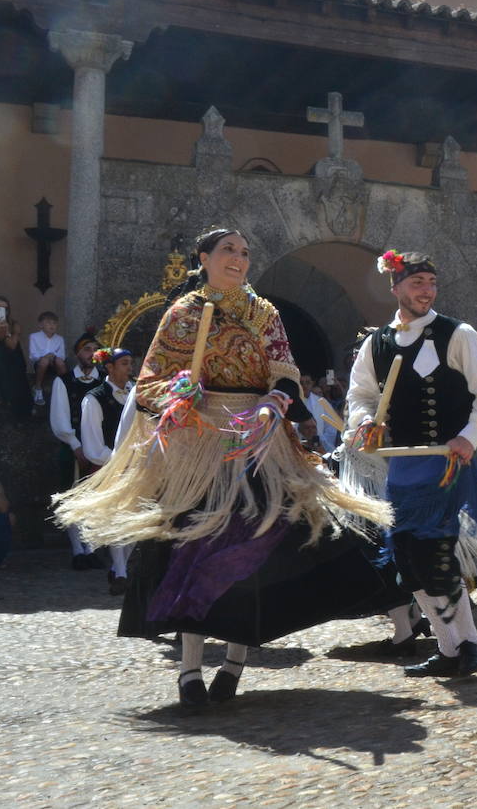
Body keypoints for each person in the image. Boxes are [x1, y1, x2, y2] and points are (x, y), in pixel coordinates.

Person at [53, 227, 393, 711]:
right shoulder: (182, 313)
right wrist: (178, 395)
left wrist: (273, 403)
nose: (239, 258)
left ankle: (233, 663)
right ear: (204, 258)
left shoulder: (264, 312)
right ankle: (190, 669)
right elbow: (149, 381)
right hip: (199, 446)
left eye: (245, 252)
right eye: (228, 250)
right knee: (193, 552)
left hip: (258, 443)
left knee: (252, 554)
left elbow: (286, 371)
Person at [348, 249, 477, 678]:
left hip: (446, 463)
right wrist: (365, 423)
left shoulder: (458, 334)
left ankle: (470, 645)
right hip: (401, 466)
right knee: (407, 562)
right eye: (417, 283)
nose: (426, 291)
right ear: (395, 287)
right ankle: (448, 647)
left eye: (431, 284)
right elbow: (360, 396)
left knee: (435, 556)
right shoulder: (376, 343)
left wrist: (468, 436)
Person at [80, 347, 136, 595]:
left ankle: (119, 567)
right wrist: (118, 461)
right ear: (109, 367)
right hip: (108, 467)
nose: (130, 368)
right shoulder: (94, 398)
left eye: (130, 363)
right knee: (116, 520)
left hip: (137, 466)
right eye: (124, 363)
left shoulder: (136, 392)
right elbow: (92, 443)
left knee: (136, 521)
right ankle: (121, 572)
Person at [49, 334, 103, 570]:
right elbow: (59, 418)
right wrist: (75, 445)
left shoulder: (106, 381)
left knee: (96, 499)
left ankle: (91, 548)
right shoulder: (63, 381)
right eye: (86, 349)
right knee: (72, 497)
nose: (90, 353)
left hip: (101, 448)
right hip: (74, 448)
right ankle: (77, 550)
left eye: (94, 349)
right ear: (77, 354)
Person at [0, 296, 34, 423]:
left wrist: (8, 332)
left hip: (14, 359)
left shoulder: (13, 324)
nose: (2, 311)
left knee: (18, 379)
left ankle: (24, 414)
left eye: (4, 308)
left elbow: (13, 346)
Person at [29, 310, 67, 406]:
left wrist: (53, 357)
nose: (52, 325)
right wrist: (45, 357)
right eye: (48, 323)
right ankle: (38, 388)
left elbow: (62, 355)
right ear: (41, 325)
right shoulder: (34, 337)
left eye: (54, 323)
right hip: (40, 363)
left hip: (54, 362)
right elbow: (33, 355)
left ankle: (64, 388)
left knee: (60, 362)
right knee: (44, 361)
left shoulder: (59, 339)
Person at [299, 373, 342, 452]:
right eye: (301, 383)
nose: (304, 386)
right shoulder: (292, 402)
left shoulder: (322, 402)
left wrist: (322, 441)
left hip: (320, 445)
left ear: (312, 383)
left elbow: (331, 426)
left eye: (307, 382)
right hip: (299, 445)